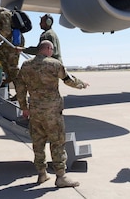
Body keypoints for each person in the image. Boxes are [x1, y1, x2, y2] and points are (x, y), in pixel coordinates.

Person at [16, 40, 89, 188]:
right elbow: (68, 80)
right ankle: (60, 176)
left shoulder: (26, 65)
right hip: (52, 112)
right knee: (57, 143)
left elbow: (20, 88)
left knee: (38, 143)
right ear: (48, 49)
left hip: (35, 111)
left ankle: (42, 174)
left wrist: (24, 107)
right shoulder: (54, 64)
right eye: (52, 49)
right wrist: (82, 84)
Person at [0, 1, 24, 93]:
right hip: (9, 42)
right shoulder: (0, 15)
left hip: (14, 43)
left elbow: (6, 32)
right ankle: (8, 75)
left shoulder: (3, 14)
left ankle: (20, 93)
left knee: (12, 68)